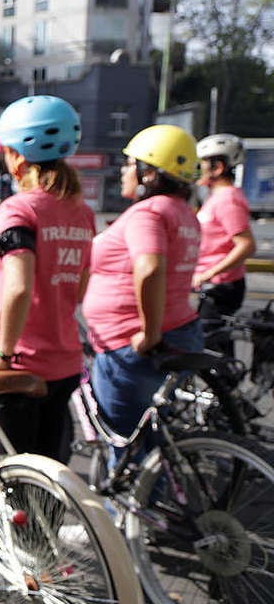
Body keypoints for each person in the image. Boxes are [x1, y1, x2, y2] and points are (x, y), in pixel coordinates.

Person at [0, 95, 95, 463]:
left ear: (18, 158)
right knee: (46, 479)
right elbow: (80, 284)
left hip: (20, 366)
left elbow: (19, 285)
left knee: (9, 486)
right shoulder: (81, 211)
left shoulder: (18, 209)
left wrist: (3, 354)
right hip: (65, 363)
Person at [82, 124, 201, 458]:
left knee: (126, 449)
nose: (124, 170)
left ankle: (131, 510)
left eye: (130, 163)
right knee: (152, 443)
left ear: (149, 172)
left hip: (133, 345)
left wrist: (147, 334)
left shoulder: (148, 213)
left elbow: (150, 267)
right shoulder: (182, 213)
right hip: (180, 330)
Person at [193, 133, 256, 330]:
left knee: (211, 350)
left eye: (201, 164)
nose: (196, 169)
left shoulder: (228, 200)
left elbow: (246, 245)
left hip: (221, 287)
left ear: (218, 167)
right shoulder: (217, 197)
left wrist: (209, 274)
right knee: (215, 345)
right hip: (214, 284)